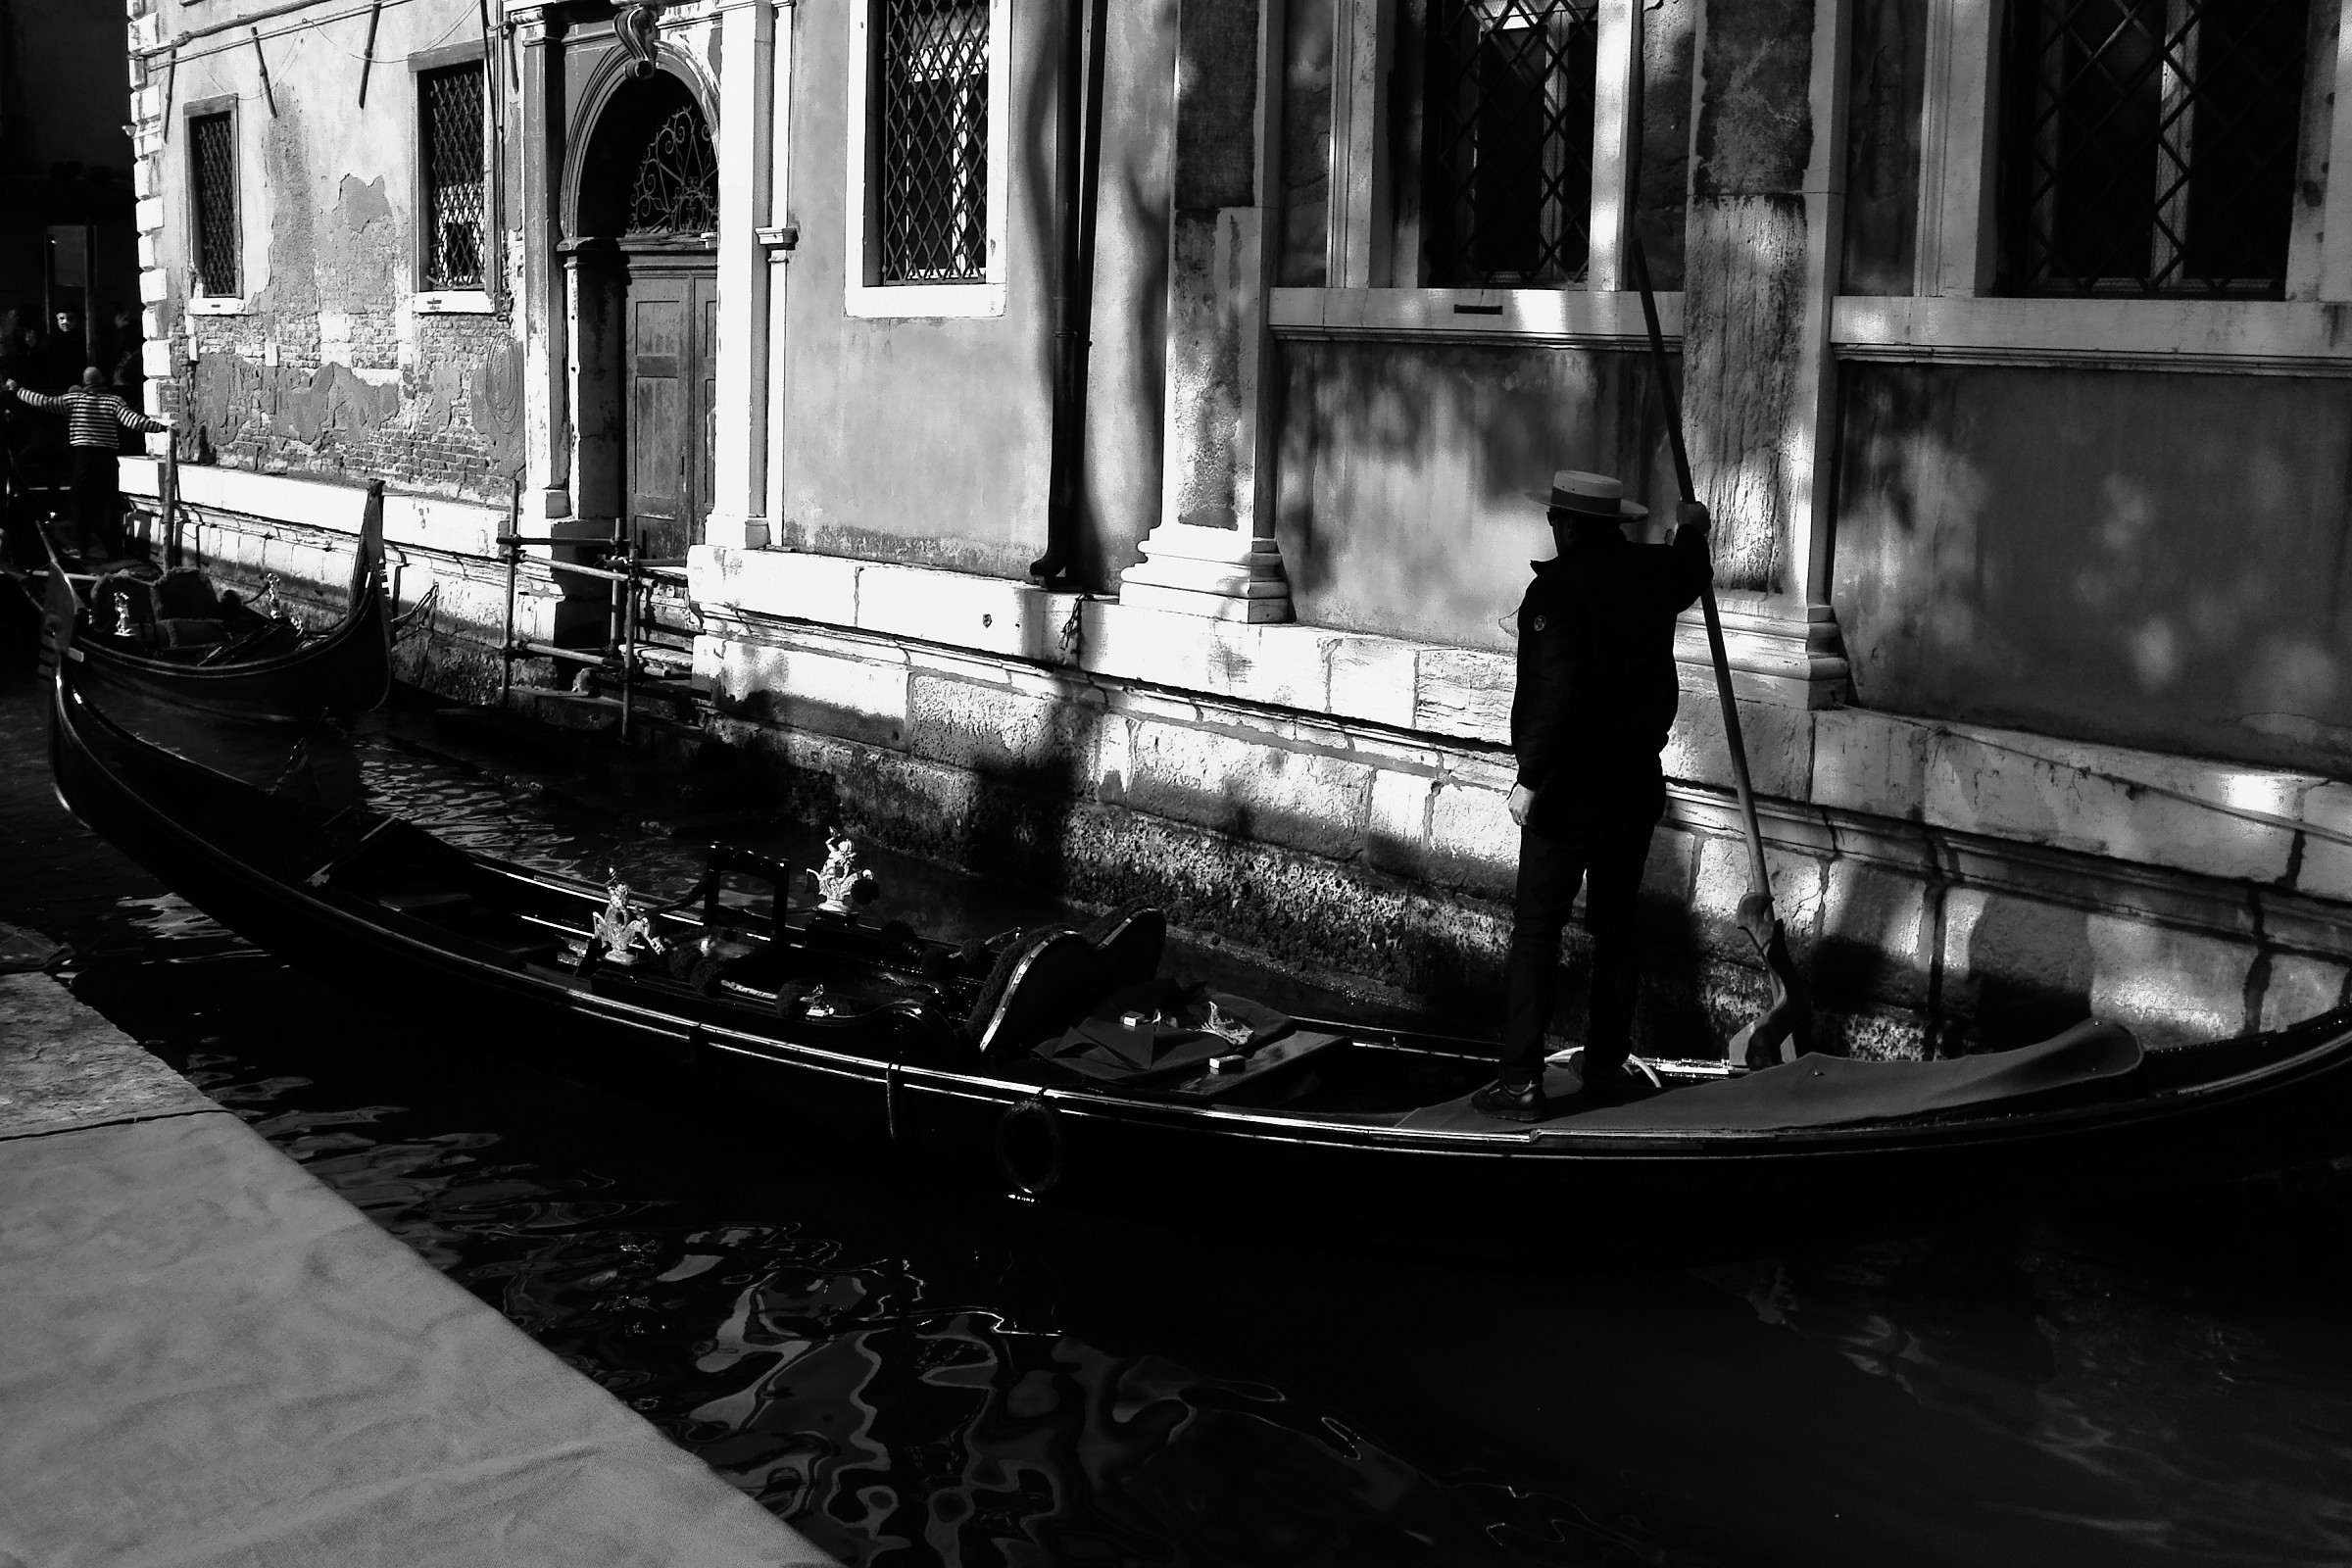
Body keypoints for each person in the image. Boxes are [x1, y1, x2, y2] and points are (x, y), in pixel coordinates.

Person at [1472, 468, 1713, 1122]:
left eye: (1557, 518)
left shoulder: (1559, 591)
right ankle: (1604, 1063)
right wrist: (1691, 528)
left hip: (1570, 789)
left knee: (1537, 930)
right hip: (1635, 782)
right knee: (1616, 927)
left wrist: (1531, 781)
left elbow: (1557, 696)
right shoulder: (1653, 575)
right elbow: (1688, 571)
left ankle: (1521, 1080)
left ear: (1569, 525)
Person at [5, 368, 172, 563]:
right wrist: (161, 428)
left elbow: (43, 401)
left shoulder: (74, 400)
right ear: (102, 381)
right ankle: (114, 551)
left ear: (85, 382)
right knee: (109, 503)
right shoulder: (114, 401)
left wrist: (17, 390)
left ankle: (83, 549)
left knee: (79, 503)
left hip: (84, 459)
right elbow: (133, 421)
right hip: (107, 458)